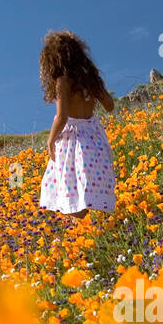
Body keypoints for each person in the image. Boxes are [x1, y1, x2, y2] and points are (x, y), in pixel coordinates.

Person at [38, 30, 116, 219]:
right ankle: (90, 231)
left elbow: (62, 117)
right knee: (88, 185)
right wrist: (95, 88)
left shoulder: (63, 81)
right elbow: (110, 106)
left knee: (72, 188)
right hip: (94, 137)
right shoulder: (89, 79)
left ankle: (80, 234)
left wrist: (50, 141)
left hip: (73, 140)